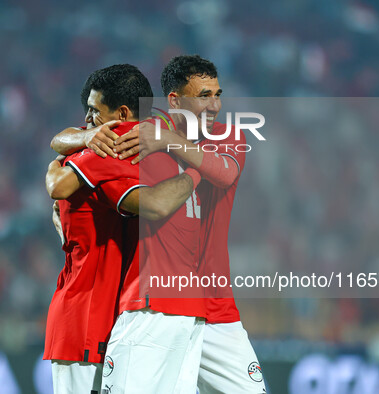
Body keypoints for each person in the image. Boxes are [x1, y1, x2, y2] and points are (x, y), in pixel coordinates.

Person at [43, 64, 200, 394]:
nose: (87, 120)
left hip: (116, 319)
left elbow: (58, 165)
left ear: (124, 112)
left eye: (92, 111)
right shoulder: (100, 151)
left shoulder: (144, 147)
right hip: (83, 318)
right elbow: (59, 184)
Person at [115, 54, 267, 393]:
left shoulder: (230, 135)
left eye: (217, 94)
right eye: (203, 96)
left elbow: (225, 174)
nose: (214, 105)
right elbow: (94, 131)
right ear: (175, 100)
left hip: (216, 305)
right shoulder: (147, 131)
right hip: (163, 304)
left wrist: (169, 141)